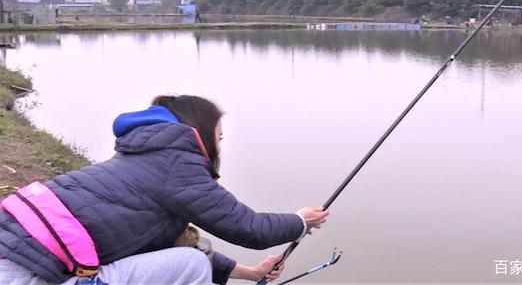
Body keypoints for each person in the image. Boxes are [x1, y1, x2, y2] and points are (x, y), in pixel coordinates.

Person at [0, 95, 329, 284]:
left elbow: (166, 247)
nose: (220, 146)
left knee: (189, 257)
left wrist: (249, 272)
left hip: (18, 263)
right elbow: (250, 229)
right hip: (28, 277)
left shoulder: (139, 163)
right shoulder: (177, 166)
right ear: (199, 134)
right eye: (219, 137)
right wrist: (300, 221)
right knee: (193, 266)